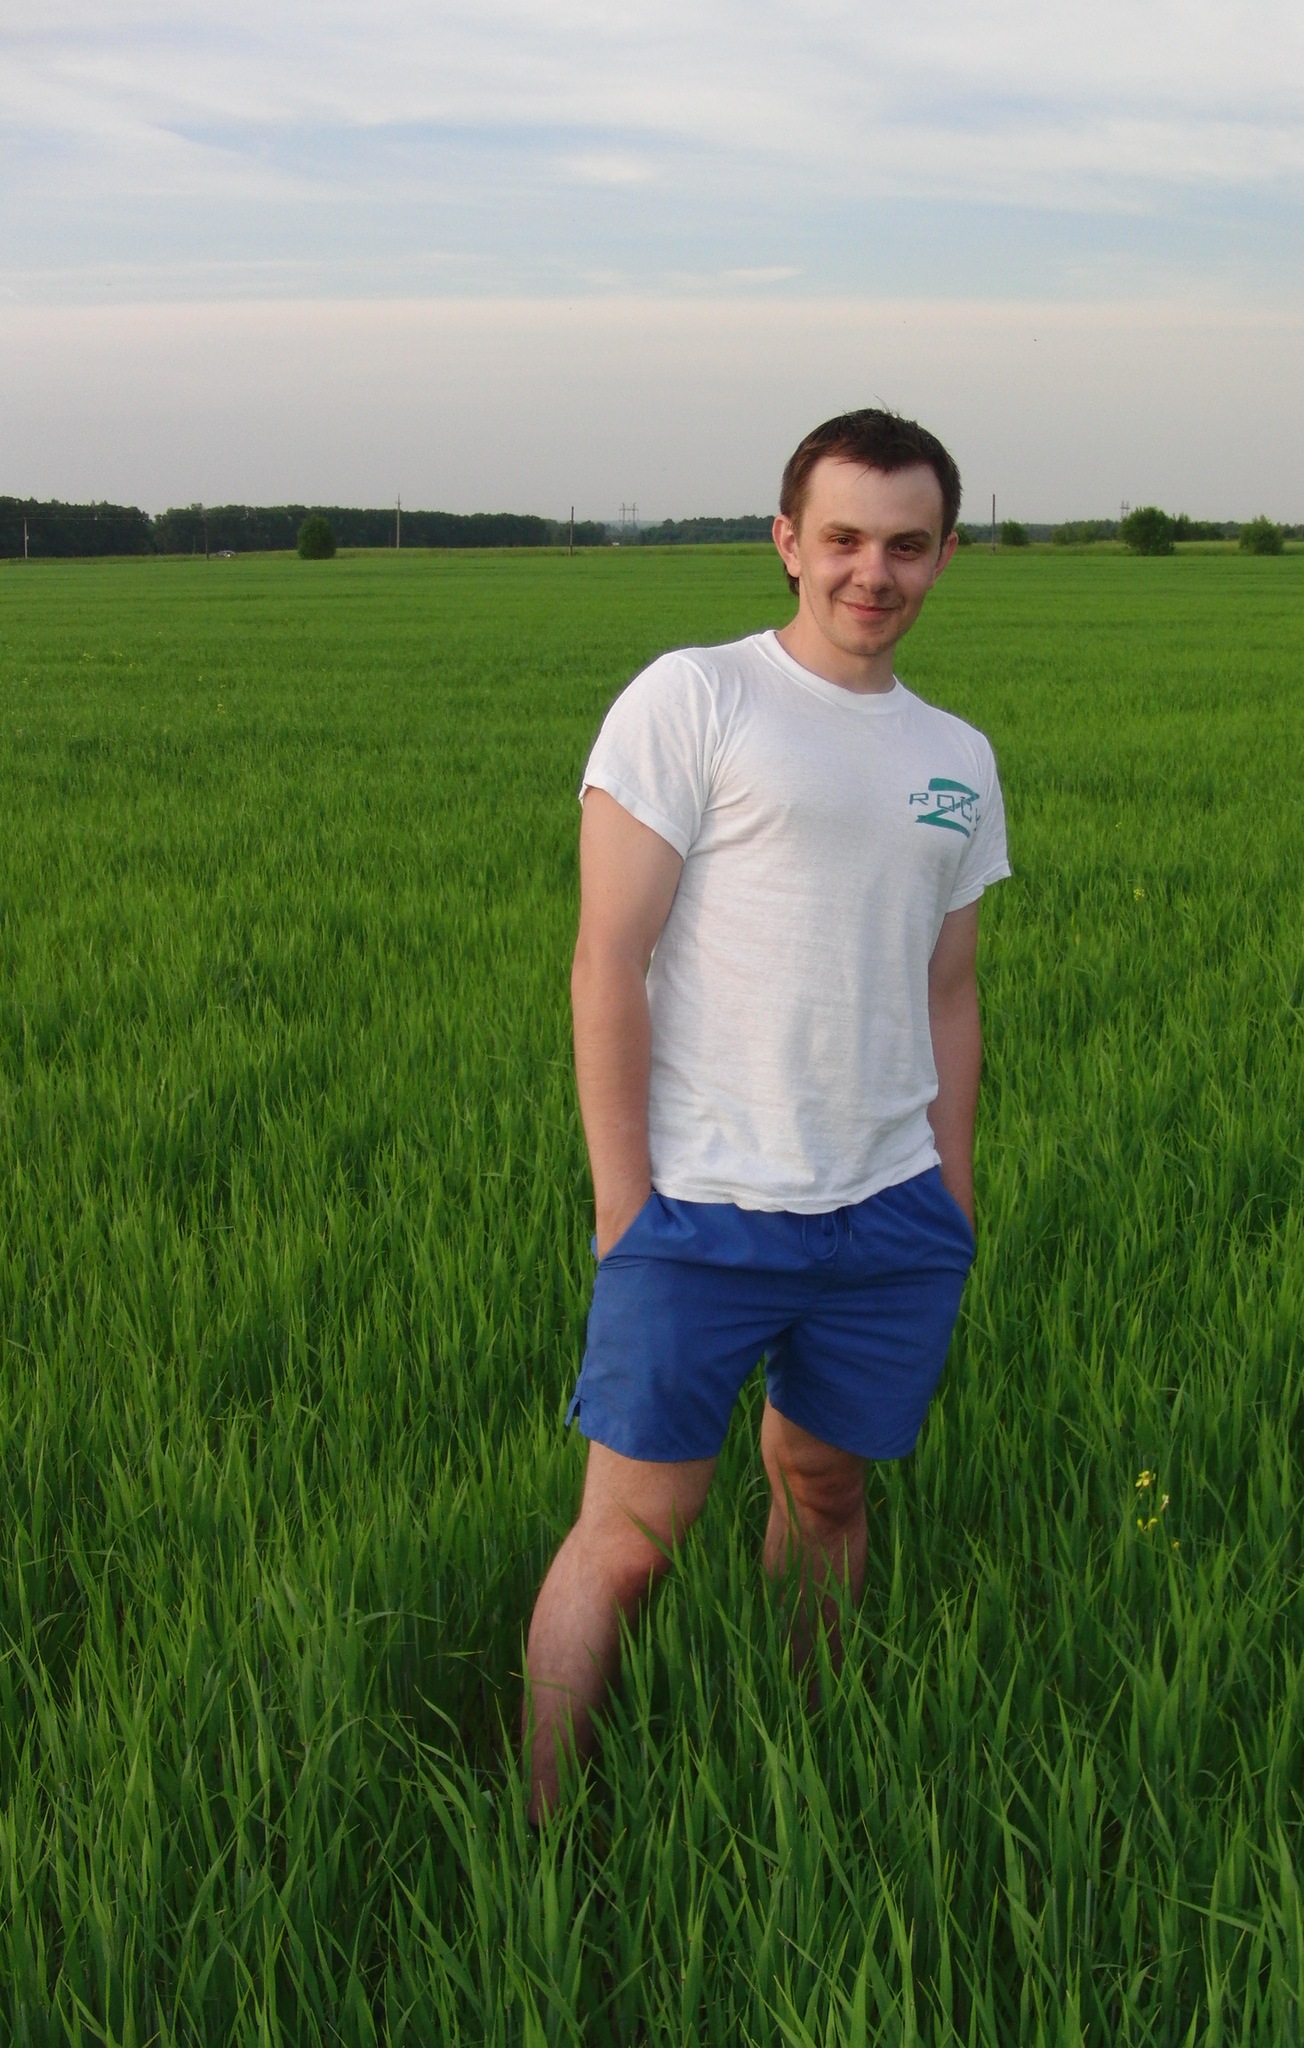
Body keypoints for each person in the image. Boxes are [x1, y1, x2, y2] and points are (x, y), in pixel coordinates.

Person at [523, 408, 1010, 1818]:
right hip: (701, 1208)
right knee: (631, 1536)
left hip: (888, 1215)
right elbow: (606, 958)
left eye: (907, 544)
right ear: (788, 541)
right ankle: (539, 1826)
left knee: (828, 1490)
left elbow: (952, 990)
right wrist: (625, 1203)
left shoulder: (958, 757)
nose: (874, 571)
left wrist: (951, 1195)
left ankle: (809, 1760)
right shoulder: (697, 698)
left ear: (945, 556)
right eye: (844, 538)